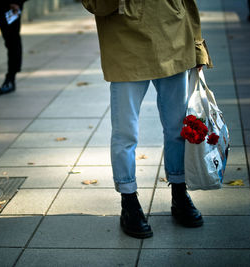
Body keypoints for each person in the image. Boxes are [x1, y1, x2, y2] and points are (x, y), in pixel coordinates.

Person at [82, 0, 213, 238]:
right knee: (125, 133)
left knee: (177, 129)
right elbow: (95, 4)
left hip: (174, 40)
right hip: (125, 46)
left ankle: (179, 192)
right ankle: (128, 200)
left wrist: (197, 46)